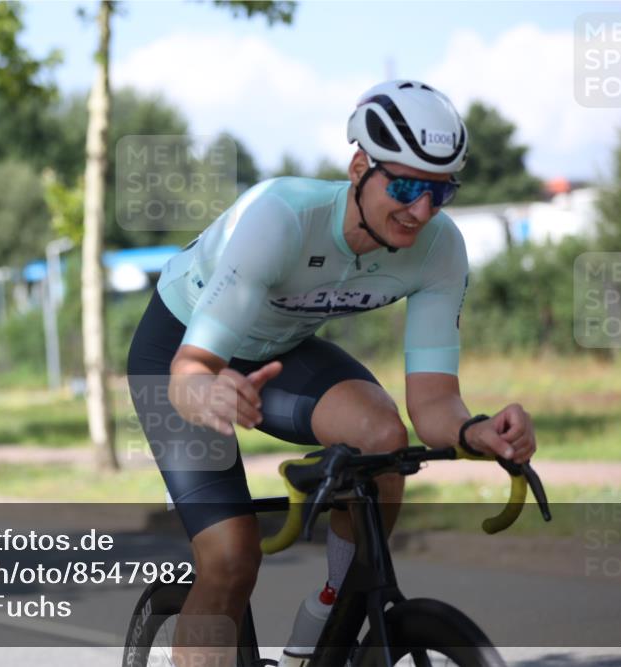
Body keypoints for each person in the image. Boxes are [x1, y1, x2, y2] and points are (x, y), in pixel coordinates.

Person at [126, 80, 537, 667]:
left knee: (384, 440)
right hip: (182, 352)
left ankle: (329, 624)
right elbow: (190, 371)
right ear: (358, 166)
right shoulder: (281, 219)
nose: (421, 210)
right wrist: (207, 392)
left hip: (277, 350)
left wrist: (477, 432)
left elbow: (434, 402)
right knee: (231, 557)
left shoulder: (440, 249)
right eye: (404, 185)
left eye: (439, 192)